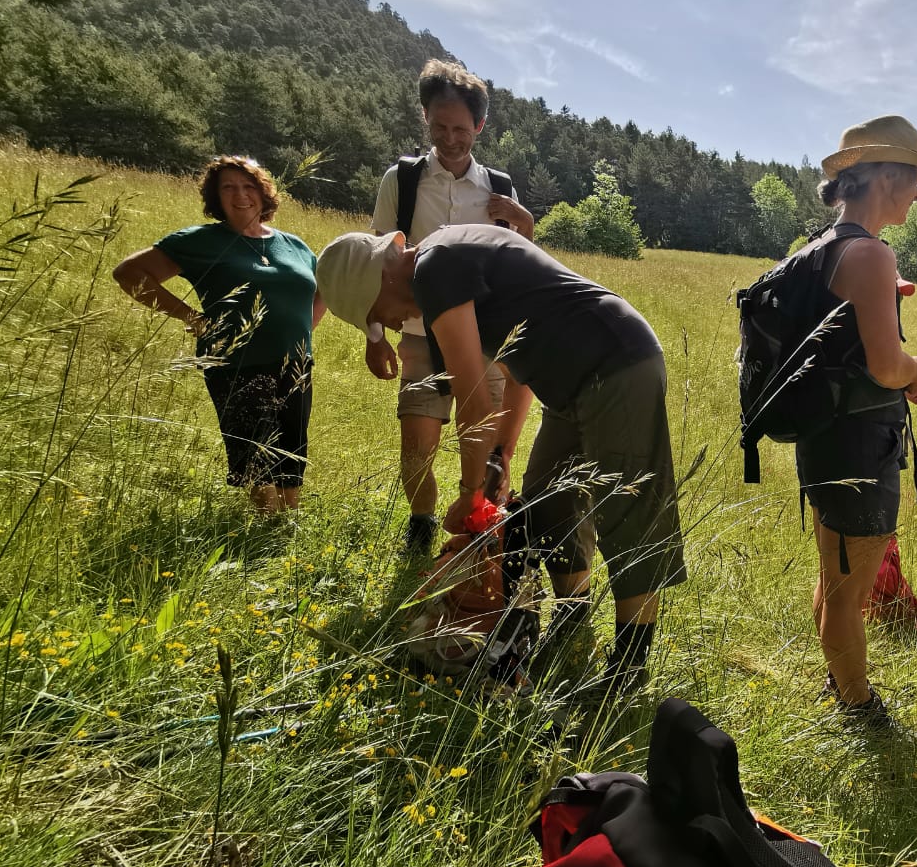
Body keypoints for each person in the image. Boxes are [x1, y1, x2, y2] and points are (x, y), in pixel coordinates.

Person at [316, 223, 686, 683]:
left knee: (627, 510)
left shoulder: (435, 268)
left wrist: (471, 495)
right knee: (548, 501)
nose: (387, 326)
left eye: (374, 314)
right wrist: (502, 453)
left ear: (380, 281)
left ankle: (628, 666)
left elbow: (474, 401)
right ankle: (573, 616)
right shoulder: (442, 267)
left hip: (615, 361)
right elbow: (514, 369)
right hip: (568, 385)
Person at [800, 116, 917, 725]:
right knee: (849, 591)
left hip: (824, 437)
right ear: (887, 174)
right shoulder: (870, 253)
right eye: (914, 178)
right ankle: (859, 708)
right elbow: (886, 367)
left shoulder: (816, 250)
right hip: (862, 444)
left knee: (834, 572)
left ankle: (839, 684)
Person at [370, 59, 536, 556]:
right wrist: (374, 334)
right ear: (425, 118)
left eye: (461, 129)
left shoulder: (499, 189)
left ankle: (477, 529)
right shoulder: (400, 181)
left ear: (480, 126)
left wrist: (524, 224)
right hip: (420, 332)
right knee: (417, 440)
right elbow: (379, 265)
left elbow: (520, 267)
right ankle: (421, 525)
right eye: (439, 126)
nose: (450, 139)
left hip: (483, 337)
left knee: (482, 437)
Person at [112, 156, 322, 513]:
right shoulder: (202, 241)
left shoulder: (296, 246)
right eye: (229, 188)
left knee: (292, 450)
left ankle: (288, 527)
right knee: (254, 453)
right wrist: (191, 317)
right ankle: (266, 531)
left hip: (296, 364)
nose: (240, 195)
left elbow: (320, 291)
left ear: (263, 192)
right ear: (216, 197)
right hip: (236, 363)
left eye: (248, 186)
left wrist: (303, 330)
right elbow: (129, 273)